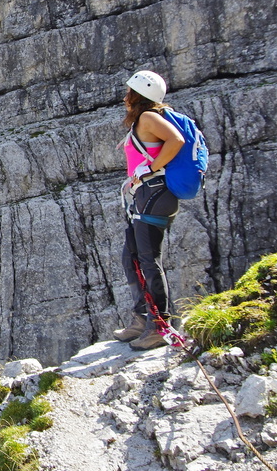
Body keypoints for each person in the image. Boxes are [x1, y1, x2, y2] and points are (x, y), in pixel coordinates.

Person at [113, 70, 185, 350]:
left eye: (129, 91)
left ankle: (160, 326)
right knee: (131, 257)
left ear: (138, 95)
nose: (125, 96)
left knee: (148, 260)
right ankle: (142, 319)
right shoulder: (143, 120)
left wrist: (150, 169)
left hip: (155, 193)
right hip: (146, 194)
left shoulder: (148, 117)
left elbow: (176, 140)